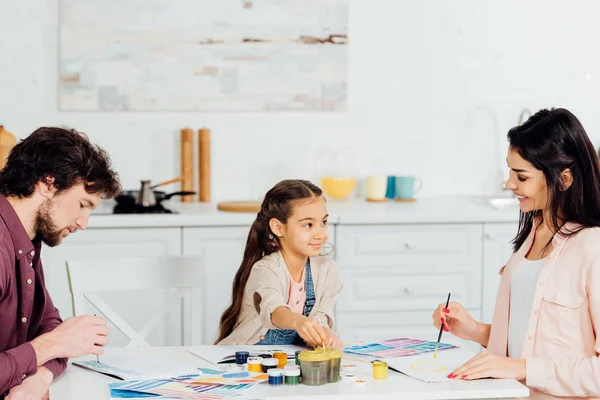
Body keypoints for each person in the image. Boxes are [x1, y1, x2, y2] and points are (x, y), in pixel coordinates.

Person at [432, 108, 600, 398]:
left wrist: (523, 369)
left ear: (564, 179)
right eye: (510, 172)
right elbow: (529, 340)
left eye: (521, 177)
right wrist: (475, 331)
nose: (509, 184)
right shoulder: (534, 233)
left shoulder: (592, 247)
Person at [0, 127, 121, 399]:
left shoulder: (26, 240)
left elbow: (52, 328)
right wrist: (49, 347)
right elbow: (55, 341)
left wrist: (39, 377)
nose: (83, 223)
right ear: (47, 183)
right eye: (82, 204)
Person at [216, 179, 343, 348]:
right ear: (278, 228)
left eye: (323, 222)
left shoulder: (327, 270)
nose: (320, 234)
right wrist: (299, 322)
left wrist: (324, 335)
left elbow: (321, 318)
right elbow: (274, 311)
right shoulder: (265, 269)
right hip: (247, 358)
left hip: (290, 363)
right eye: (308, 225)